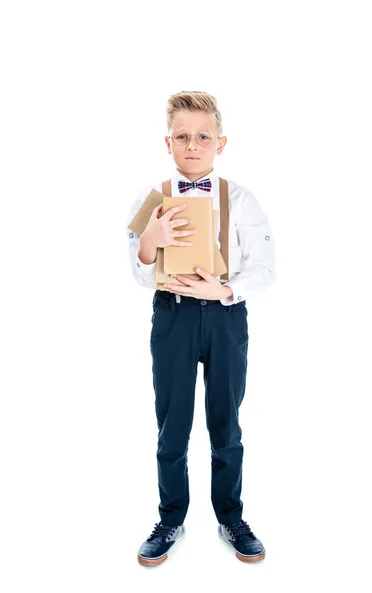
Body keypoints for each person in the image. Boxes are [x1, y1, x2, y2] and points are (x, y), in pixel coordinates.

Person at [126, 91, 276, 566]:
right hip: (172, 316)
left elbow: (265, 268)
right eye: (183, 136)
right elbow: (138, 270)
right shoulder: (152, 200)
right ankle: (171, 518)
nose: (193, 144)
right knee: (172, 424)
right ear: (167, 142)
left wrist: (224, 292)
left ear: (221, 142)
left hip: (227, 316)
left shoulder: (242, 199)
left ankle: (230, 516)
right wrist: (149, 241)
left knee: (225, 422)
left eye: (203, 136)